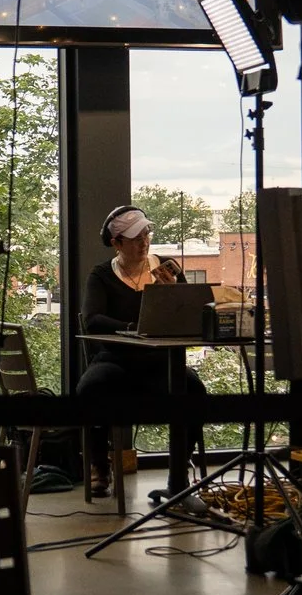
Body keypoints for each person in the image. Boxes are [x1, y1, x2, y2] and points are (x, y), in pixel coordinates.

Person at [76, 206, 206, 500]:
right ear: (116, 243)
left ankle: (179, 470)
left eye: (146, 234)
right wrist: (132, 328)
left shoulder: (166, 268)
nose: (144, 242)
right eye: (135, 238)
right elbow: (92, 318)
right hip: (116, 359)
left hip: (159, 362)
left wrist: (172, 293)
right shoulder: (102, 275)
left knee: (193, 388)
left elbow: (187, 314)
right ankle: (100, 466)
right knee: (90, 388)